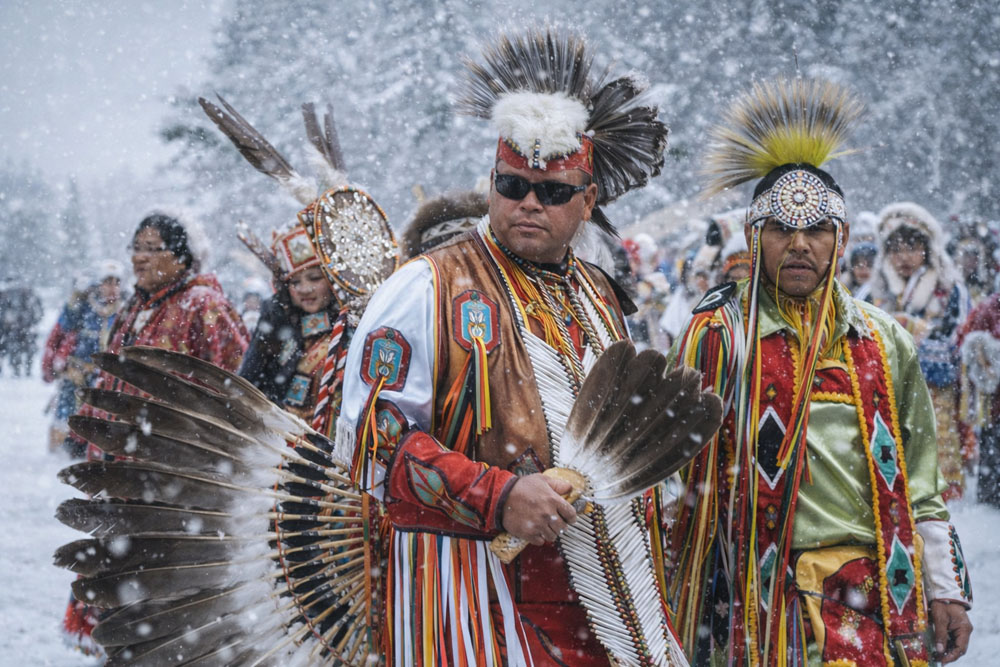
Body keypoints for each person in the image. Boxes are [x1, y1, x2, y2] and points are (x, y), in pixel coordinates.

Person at [337, 28, 677, 666]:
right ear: (490, 181)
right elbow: (371, 442)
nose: (528, 203)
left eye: (551, 192)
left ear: (588, 201)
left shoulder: (600, 296)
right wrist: (498, 497)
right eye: (511, 184)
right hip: (470, 597)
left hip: (604, 601)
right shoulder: (426, 286)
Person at [664, 78, 972, 665]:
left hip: (879, 597)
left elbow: (923, 486)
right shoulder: (719, 336)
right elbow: (678, 485)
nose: (799, 244)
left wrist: (946, 591)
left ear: (843, 238)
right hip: (760, 600)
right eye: (781, 229)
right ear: (755, 238)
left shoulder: (884, 341)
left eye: (816, 230)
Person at [63, 210, 249, 655]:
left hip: (178, 484)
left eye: (152, 249)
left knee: (169, 608)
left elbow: (239, 391)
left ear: (182, 257)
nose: (139, 259)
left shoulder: (205, 306)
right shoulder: (138, 306)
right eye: (136, 248)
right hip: (126, 479)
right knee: (121, 602)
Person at [870, 203, 970, 500]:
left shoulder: (949, 288)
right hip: (885, 382)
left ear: (927, 248)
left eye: (912, 247)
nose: (904, 257)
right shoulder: (877, 288)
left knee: (932, 441)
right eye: (896, 249)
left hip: (935, 386)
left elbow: (957, 337)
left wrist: (915, 337)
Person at [41, 260, 123, 457]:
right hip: (76, 370)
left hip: (108, 374)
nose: (112, 287)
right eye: (107, 281)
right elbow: (62, 330)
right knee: (68, 408)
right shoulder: (83, 307)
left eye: (116, 282)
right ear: (98, 284)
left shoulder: (125, 310)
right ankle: (65, 444)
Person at [958, 291, 1000, 507]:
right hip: (993, 394)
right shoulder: (990, 306)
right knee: (993, 436)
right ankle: (991, 491)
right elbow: (970, 339)